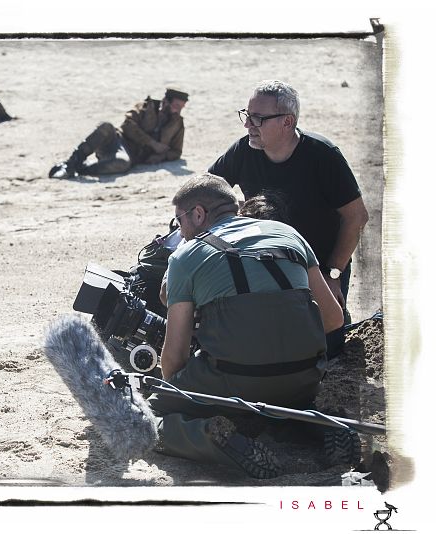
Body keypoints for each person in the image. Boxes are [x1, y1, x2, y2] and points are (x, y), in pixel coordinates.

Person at [150, 173, 344, 478]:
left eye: (180, 221)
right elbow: (333, 319)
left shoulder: (186, 256)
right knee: (277, 401)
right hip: (304, 378)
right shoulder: (289, 234)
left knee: (148, 417)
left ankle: (213, 437)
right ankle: (323, 423)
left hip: (235, 380)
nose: (181, 231)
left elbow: (174, 357)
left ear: (198, 214)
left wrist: (177, 394)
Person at [208, 80, 369, 320]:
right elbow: (207, 192)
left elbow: (356, 217)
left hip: (318, 267)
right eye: (247, 115)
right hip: (262, 261)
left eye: (257, 118)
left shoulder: (322, 155)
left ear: (287, 122)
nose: (247, 124)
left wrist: (332, 274)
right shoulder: (242, 151)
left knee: (326, 336)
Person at [49, 88, 188, 179]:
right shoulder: (145, 107)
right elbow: (127, 125)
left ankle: (81, 169)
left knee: (122, 163)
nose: (177, 110)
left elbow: (176, 151)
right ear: (165, 101)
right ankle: (70, 164)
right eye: (176, 106)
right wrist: (152, 143)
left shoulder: (177, 124)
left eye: (181, 107)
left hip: (131, 155)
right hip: (118, 141)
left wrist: (160, 156)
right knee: (106, 126)